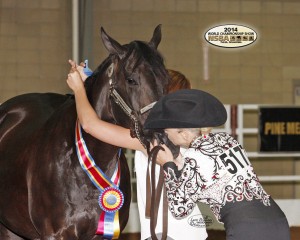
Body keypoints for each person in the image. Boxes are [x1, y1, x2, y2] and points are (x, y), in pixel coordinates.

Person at [66, 61, 208, 240]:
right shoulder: (190, 134)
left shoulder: (152, 140)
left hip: (167, 234)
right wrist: (89, 78)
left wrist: (79, 89)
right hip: (192, 231)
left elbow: (90, 125)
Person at [144, 89, 291, 240]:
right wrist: (178, 163)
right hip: (277, 219)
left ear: (185, 134)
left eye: (167, 132)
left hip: (247, 227)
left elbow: (179, 209)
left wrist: (168, 165)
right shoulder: (227, 139)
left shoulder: (194, 157)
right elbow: (211, 174)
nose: (166, 136)